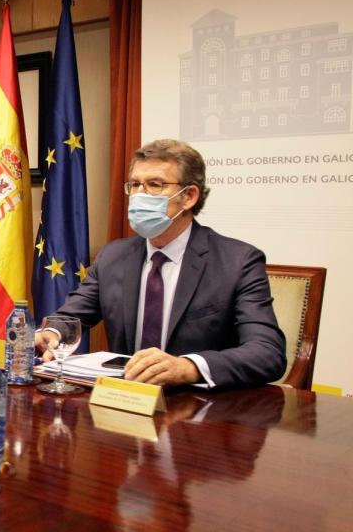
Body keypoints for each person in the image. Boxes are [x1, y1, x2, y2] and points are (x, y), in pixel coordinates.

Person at [38, 139, 285, 389]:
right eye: (135, 185)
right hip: (124, 402)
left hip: (199, 410)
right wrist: (53, 333)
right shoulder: (113, 256)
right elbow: (71, 316)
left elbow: (267, 353)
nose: (139, 195)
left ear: (189, 196)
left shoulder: (238, 261)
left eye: (155, 185)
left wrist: (189, 367)